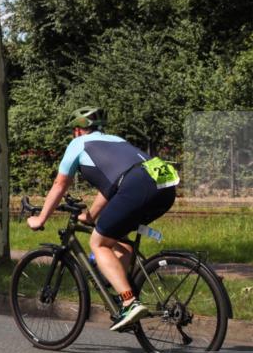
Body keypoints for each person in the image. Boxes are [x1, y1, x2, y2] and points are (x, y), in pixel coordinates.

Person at [26, 107, 179, 331]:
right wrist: (90, 216)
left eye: (73, 130)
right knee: (121, 240)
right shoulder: (116, 140)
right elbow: (110, 187)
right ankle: (123, 291)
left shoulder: (78, 144)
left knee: (98, 243)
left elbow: (60, 184)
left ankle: (129, 302)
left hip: (136, 184)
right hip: (164, 183)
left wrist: (40, 219)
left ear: (78, 130)